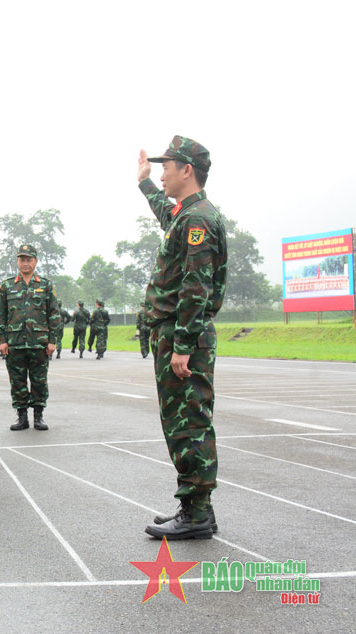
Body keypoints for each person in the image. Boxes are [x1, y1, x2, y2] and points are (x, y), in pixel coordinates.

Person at [137, 136, 227, 540]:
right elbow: (165, 214)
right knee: (181, 422)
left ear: (186, 170)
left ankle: (198, 513)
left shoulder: (197, 219)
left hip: (182, 334)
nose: (162, 172)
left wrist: (183, 346)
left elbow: (196, 285)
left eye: (166, 167)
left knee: (189, 423)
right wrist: (145, 185)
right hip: (176, 332)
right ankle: (193, 506)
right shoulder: (186, 215)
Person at [0, 245, 60, 431]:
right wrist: (2, 340)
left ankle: (38, 416)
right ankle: (21, 416)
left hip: (39, 342)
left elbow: (54, 315)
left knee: (39, 380)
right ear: (17, 262)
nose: (25, 263)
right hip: (15, 343)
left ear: (35, 261)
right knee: (17, 381)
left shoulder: (45, 285)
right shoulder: (7, 285)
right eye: (21, 260)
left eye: (28, 259)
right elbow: (0, 314)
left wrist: (52, 340)